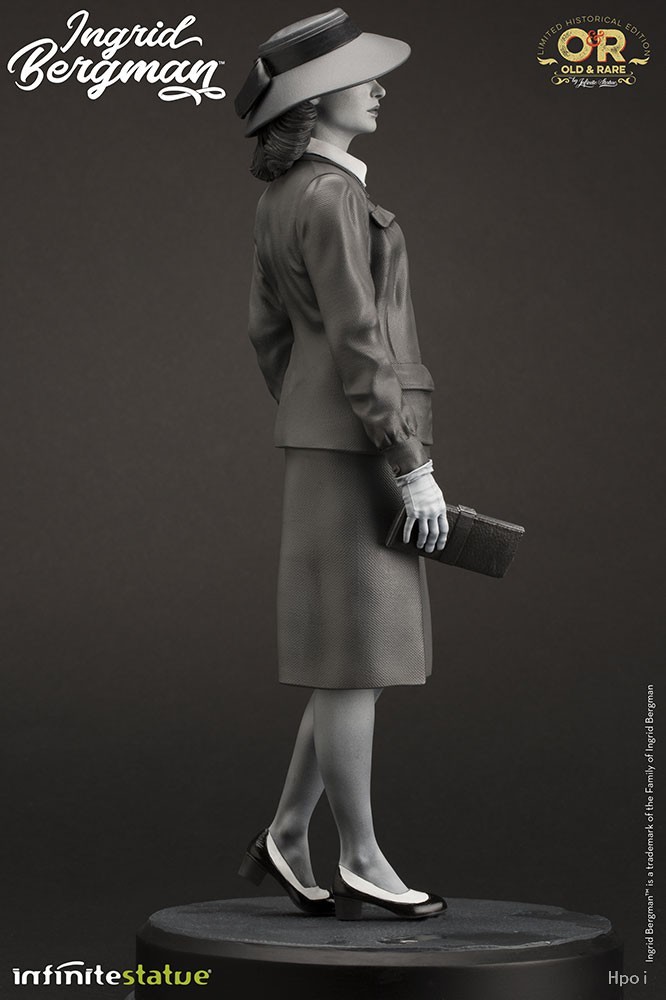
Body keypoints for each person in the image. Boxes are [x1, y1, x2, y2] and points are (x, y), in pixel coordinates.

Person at [234, 8, 448, 921]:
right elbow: (361, 340)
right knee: (357, 658)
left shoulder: (286, 197)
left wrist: (312, 407)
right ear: (316, 99)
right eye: (362, 77)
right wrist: (409, 462)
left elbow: (268, 335)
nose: (379, 88)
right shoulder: (330, 196)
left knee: (345, 657)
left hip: (334, 439)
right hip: (364, 443)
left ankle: (288, 834)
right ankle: (360, 856)